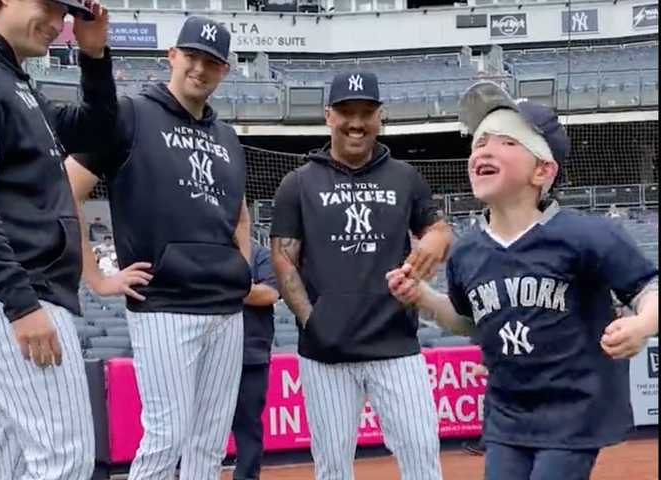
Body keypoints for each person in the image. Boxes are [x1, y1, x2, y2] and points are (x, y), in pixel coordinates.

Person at [387, 81, 659, 480]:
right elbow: (469, 321)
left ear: (543, 170)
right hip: (508, 415)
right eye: (480, 142)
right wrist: (424, 298)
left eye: (507, 142)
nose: (484, 149)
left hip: (575, 412)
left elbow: (649, 289)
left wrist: (642, 324)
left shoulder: (588, 235)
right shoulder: (467, 252)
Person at [64, 16, 252, 480]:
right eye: (192, 57)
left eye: (212, 62)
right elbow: (65, 190)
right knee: (166, 436)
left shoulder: (227, 138)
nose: (200, 70)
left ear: (224, 71)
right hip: (164, 304)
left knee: (209, 443)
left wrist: (243, 268)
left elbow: (241, 215)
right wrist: (97, 277)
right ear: (172, 56)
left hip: (225, 310)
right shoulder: (130, 113)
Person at [0, 0, 115, 478]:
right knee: (65, 458)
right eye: (49, 5)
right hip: (9, 288)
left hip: (12, 287)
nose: (60, 22)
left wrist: (95, 57)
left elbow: (100, 130)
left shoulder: (14, 79)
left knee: (19, 457)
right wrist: (20, 304)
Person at [270, 71, 452, 480]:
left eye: (366, 112)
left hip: (395, 343)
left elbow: (438, 229)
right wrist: (312, 321)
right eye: (346, 112)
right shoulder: (297, 183)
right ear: (328, 116)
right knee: (333, 466)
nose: (356, 122)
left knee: (422, 455)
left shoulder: (405, 177)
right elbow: (284, 259)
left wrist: (436, 240)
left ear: (380, 116)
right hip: (325, 354)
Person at [231, 240, 279, 480]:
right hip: (205, 351)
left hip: (250, 353)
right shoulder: (205, 247)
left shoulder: (260, 253)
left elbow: (269, 293)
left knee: (248, 426)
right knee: (197, 427)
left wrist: (222, 287)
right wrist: (243, 289)